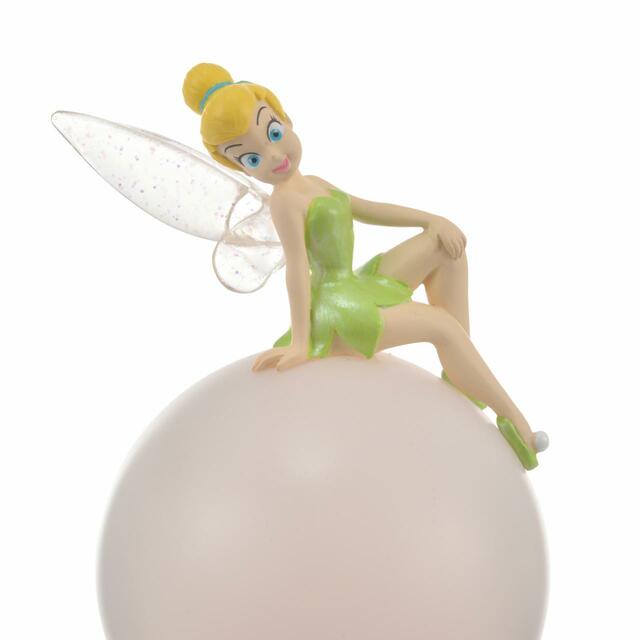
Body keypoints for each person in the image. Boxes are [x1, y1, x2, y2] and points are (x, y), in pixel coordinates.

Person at [183, 63, 548, 469]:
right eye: (252, 157)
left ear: (285, 119)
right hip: (336, 307)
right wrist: (301, 342)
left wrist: (430, 220)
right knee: (442, 326)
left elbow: (368, 209)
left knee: (446, 248)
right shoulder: (285, 202)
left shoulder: (315, 182)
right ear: (239, 167)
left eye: (273, 133)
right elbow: (297, 270)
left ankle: (462, 375)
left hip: (357, 282)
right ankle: (515, 421)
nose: (274, 156)